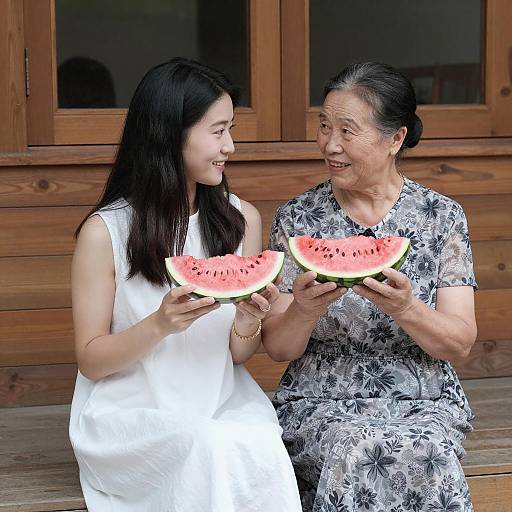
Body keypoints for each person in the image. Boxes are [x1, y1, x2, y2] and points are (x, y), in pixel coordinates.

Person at [69, 58, 302, 512]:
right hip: (131, 414)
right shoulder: (105, 232)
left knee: (253, 444)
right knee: (208, 445)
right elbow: (91, 361)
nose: (230, 146)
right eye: (217, 131)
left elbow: (236, 356)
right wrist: (159, 324)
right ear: (170, 134)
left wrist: (249, 320)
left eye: (230, 128)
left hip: (221, 400)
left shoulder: (240, 220)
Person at [263, 62, 477, 511]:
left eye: (347, 131)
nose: (330, 144)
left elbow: (459, 343)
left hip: (424, 397)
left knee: (424, 449)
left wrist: (407, 309)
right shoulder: (297, 219)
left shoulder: (442, 218)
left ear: (395, 139)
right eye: (324, 127)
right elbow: (279, 349)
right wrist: (302, 309)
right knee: (357, 445)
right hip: (319, 399)